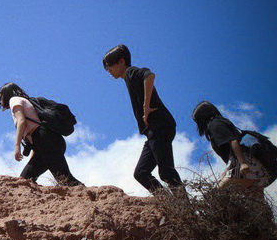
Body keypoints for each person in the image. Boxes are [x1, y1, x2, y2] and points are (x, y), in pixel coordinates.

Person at [103, 44, 182, 193]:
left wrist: (146, 106)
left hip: (160, 126)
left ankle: (184, 205)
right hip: (152, 132)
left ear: (121, 62)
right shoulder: (128, 78)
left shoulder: (131, 72)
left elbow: (149, 75)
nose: (109, 71)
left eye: (109, 66)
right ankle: (167, 202)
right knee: (141, 173)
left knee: (166, 171)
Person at [0, 82, 83, 186]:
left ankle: (89, 194)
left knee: (65, 179)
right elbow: (36, 138)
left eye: (0, 97)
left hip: (47, 140)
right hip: (47, 142)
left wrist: (17, 146)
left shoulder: (14, 100)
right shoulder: (27, 102)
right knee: (25, 179)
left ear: (7, 94)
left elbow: (21, 121)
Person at [192, 101, 274, 190]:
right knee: (252, 193)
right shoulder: (221, 122)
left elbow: (233, 141)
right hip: (256, 167)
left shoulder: (214, 125)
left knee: (219, 191)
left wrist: (242, 163)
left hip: (244, 161)